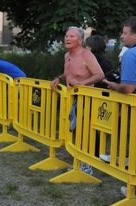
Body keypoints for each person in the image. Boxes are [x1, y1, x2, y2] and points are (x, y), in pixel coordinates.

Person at [50, 26, 104, 175]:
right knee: (74, 130)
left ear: (80, 40)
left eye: (72, 36)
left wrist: (81, 84)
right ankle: (78, 162)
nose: (67, 38)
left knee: (84, 131)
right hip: (71, 99)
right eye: (66, 36)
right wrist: (58, 78)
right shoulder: (67, 55)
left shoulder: (86, 55)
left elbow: (99, 74)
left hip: (86, 98)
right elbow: (68, 73)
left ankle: (87, 166)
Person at [103, 17, 136, 198]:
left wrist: (113, 86)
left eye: (125, 33)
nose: (121, 37)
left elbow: (128, 87)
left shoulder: (131, 54)